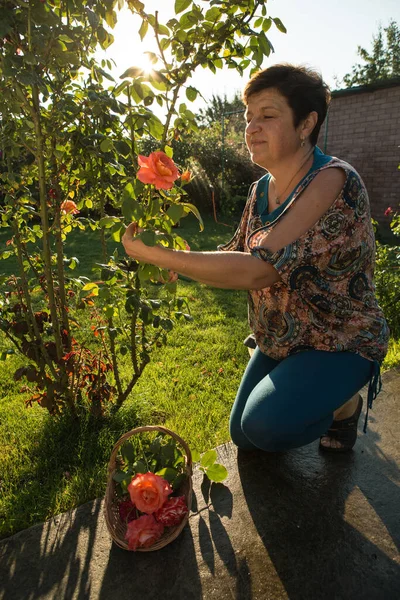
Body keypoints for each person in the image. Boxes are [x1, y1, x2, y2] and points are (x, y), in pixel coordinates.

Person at [122, 64, 389, 454]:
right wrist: (171, 264)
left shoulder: (333, 180)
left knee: (264, 426)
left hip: (338, 340)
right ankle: (313, 394)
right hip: (282, 339)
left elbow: (259, 269)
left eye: (267, 115)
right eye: (248, 117)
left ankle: (343, 407)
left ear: (306, 124)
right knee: (244, 436)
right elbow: (235, 254)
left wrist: (168, 256)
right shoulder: (260, 189)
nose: (251, 127)